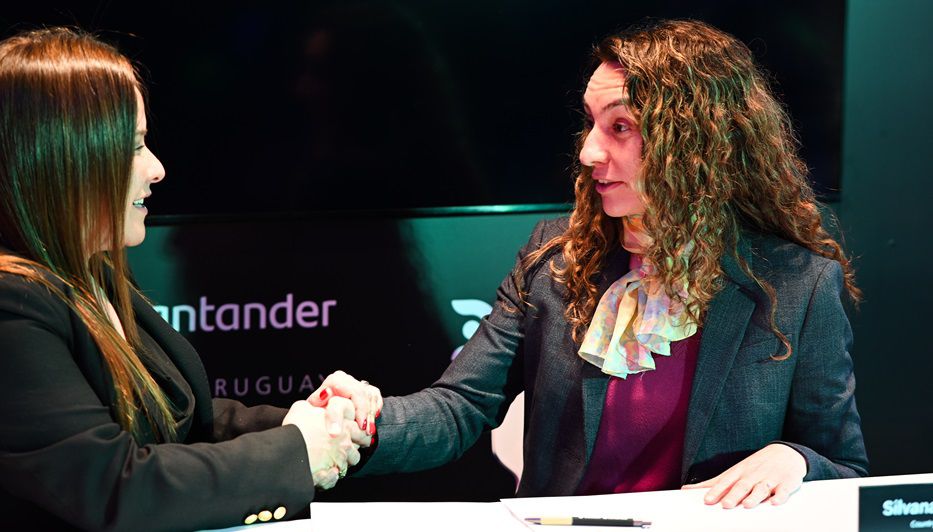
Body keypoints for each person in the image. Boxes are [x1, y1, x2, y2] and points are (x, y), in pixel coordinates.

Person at [310, 19, 868, 509]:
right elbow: (459, 408)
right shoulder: (554, 259)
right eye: (591, 123)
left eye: (620, 127)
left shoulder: (798, 284)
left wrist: (797, 461)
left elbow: (844, 468)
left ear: (697, 142)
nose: (588, 152)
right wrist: (360, 425)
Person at [0, 28, 369, 530]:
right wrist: (298, 449)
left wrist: (304, 421)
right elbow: (115, 485)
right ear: (64, 160)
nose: (156, 169)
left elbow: (179, 425)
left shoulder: (89, 276)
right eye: (133, 146)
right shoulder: (12, 304)